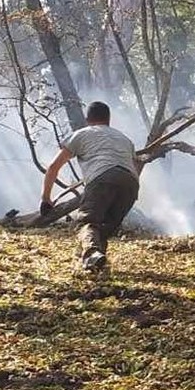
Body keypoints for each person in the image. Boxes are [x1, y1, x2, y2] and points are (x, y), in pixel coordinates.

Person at [40, 101, 139, 273]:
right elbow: (131, 166)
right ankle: (94, 264)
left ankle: (91, 254)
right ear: (108, 119)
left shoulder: (82, 134)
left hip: (102, 178)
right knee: (102, 229)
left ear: (88, 119)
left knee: (86, 224)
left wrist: (46, 199)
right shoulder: (124, 139)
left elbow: (53, 167)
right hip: (130, 184)